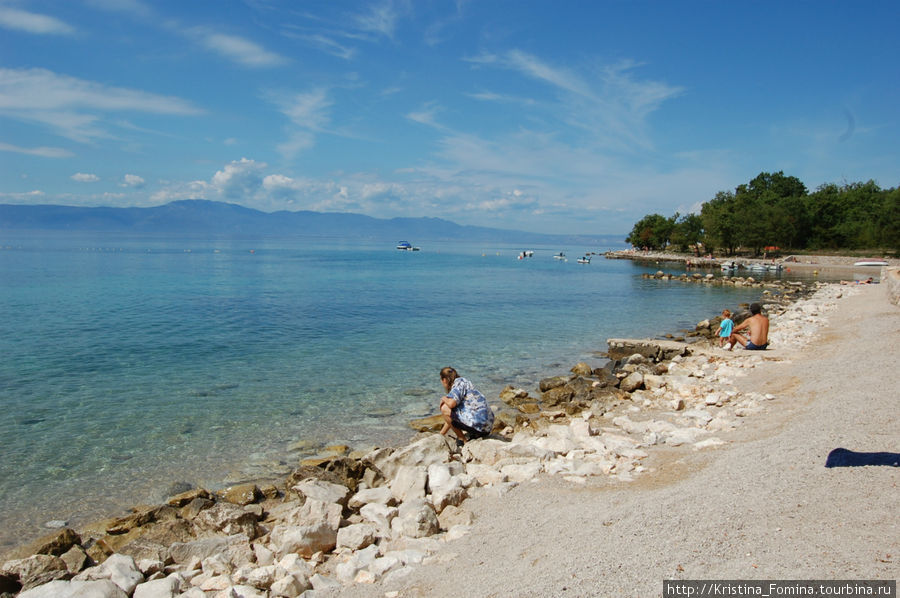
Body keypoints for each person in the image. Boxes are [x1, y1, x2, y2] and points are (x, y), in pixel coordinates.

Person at [438, 367, 494, 444]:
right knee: (451, 411)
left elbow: (451, 405)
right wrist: (441, 434)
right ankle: (443, 434)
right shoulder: (465, 382)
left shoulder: (457, 384)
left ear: (444, 380)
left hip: (479, 428)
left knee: (444, 407)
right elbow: (450, 417)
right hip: (487, 428)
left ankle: (463, 439)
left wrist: (443, 398)